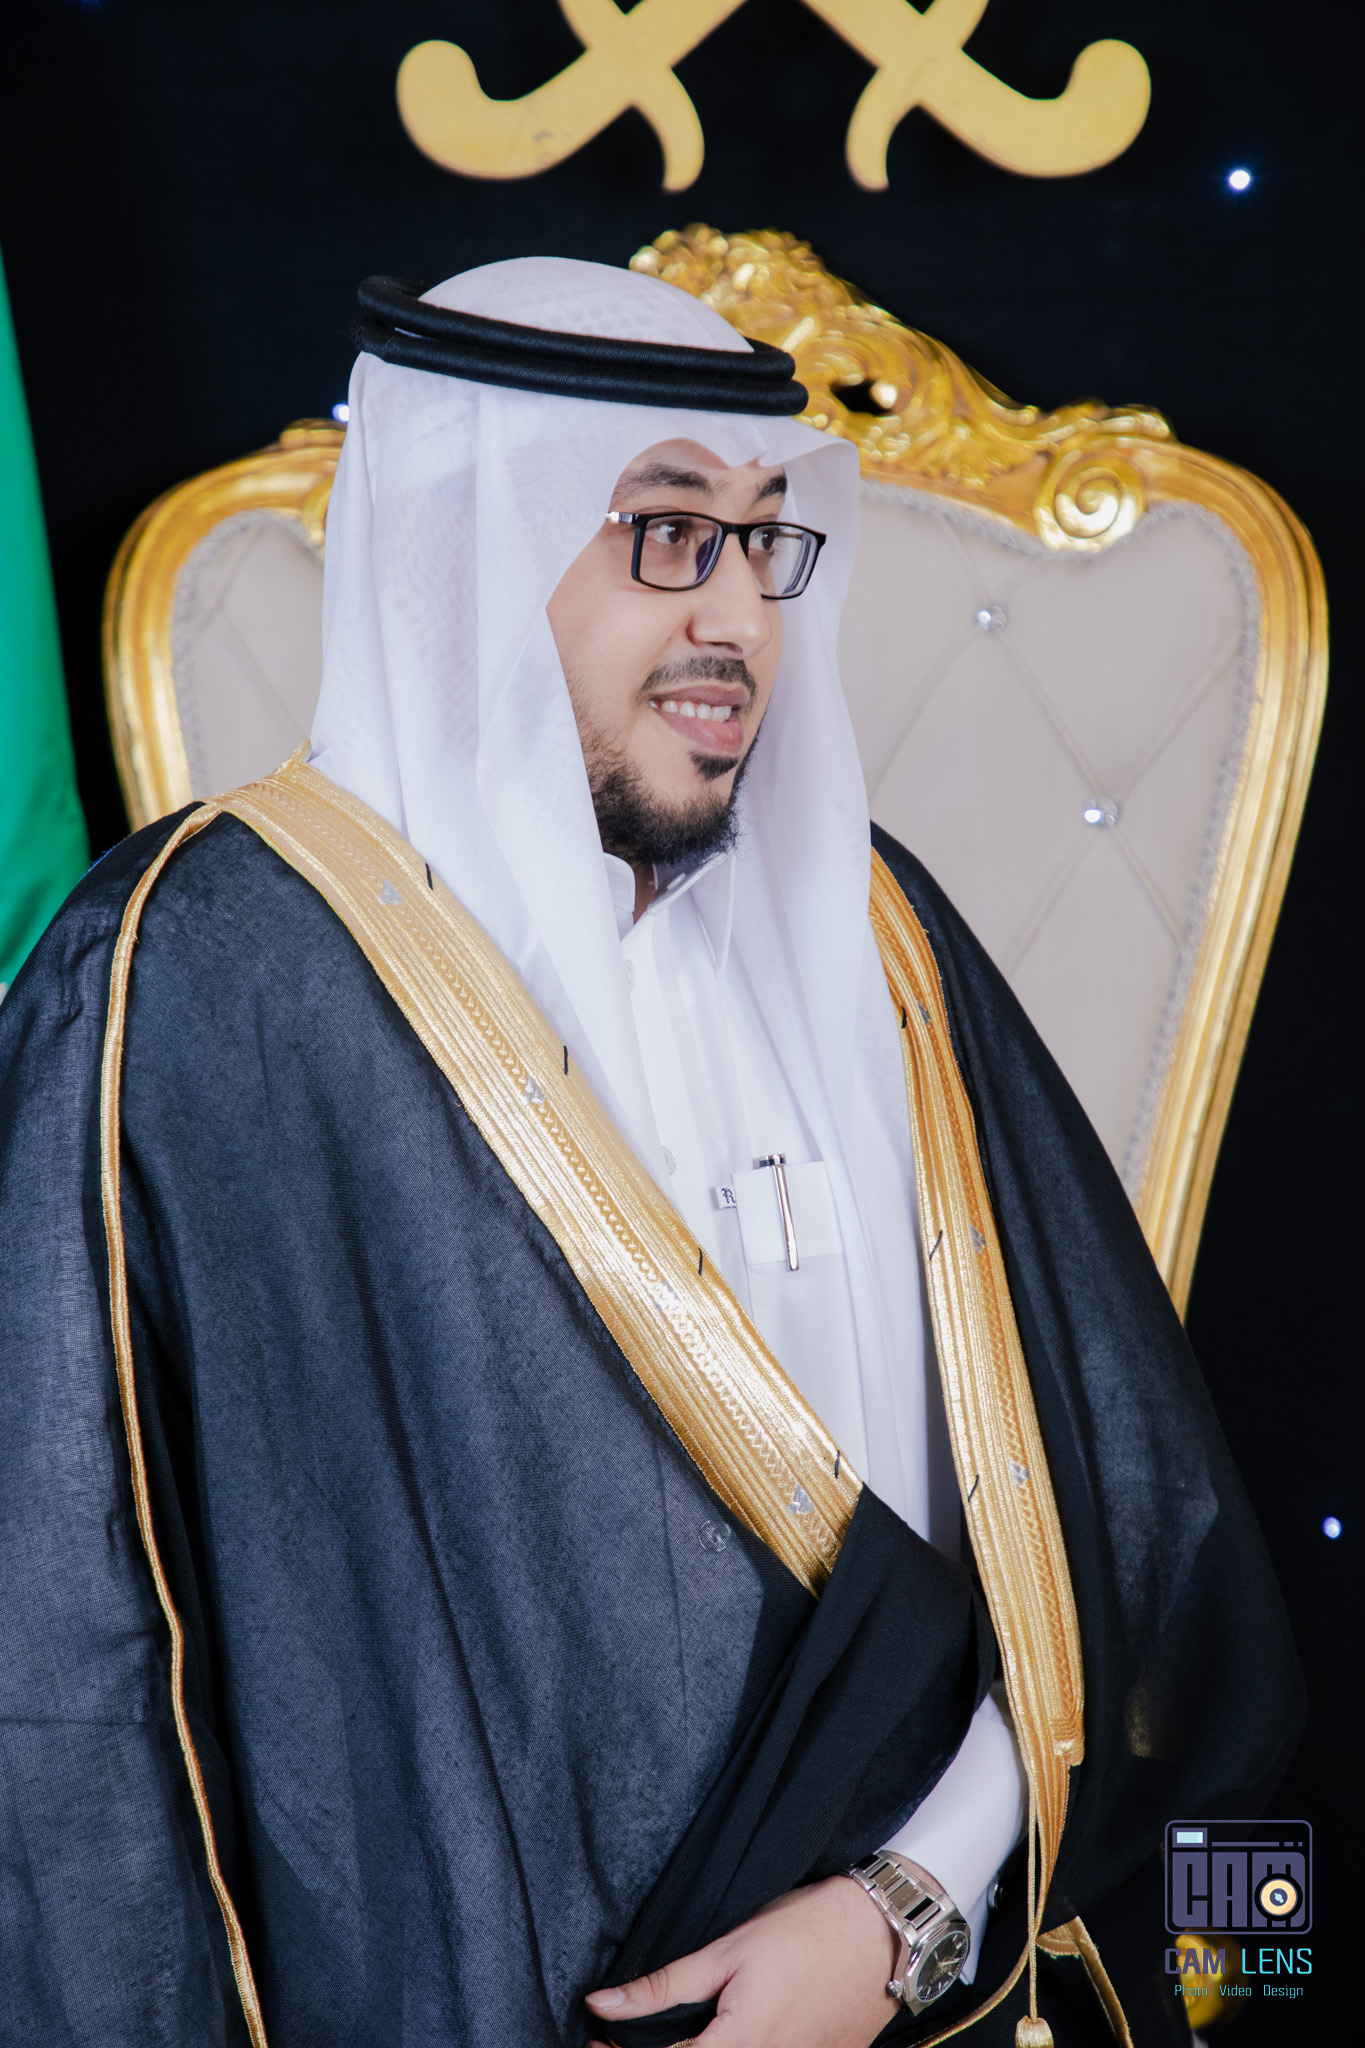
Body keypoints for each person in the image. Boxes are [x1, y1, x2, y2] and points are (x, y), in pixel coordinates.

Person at [0, 260, 1301, 2048]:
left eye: (763, 539)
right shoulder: (197, 980)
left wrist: (906, 1910)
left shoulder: (874, 937)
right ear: (458, 552)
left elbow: (1121, 1545)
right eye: (665, 532)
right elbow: (68, 1667)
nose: (741, 617)